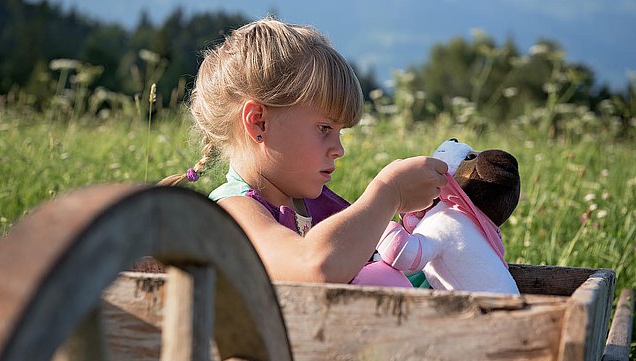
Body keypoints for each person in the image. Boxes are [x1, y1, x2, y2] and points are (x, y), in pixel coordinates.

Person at [160, 17, 448, 284]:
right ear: (259, 122)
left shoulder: (316, 205)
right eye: (325, 128)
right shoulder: (233, 212)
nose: (338, 150)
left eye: (340, 132)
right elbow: (314, 266)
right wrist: (388, 194)